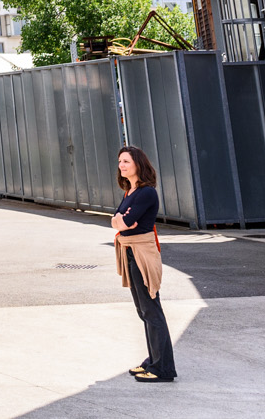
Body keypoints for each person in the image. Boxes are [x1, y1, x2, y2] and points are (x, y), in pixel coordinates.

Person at [113, 144, 176, 383]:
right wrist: (121, 220)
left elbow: (124, 221)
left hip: (142, 252)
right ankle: (153, 360)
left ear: (138, 164)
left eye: (126, 161)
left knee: (151, 309)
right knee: (143, 311)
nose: (121, 165)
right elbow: (117, 221)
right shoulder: (129, 192)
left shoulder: (146, 192)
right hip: (129, 251)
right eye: (120, 161)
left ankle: (163, 368)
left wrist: (121, 220)